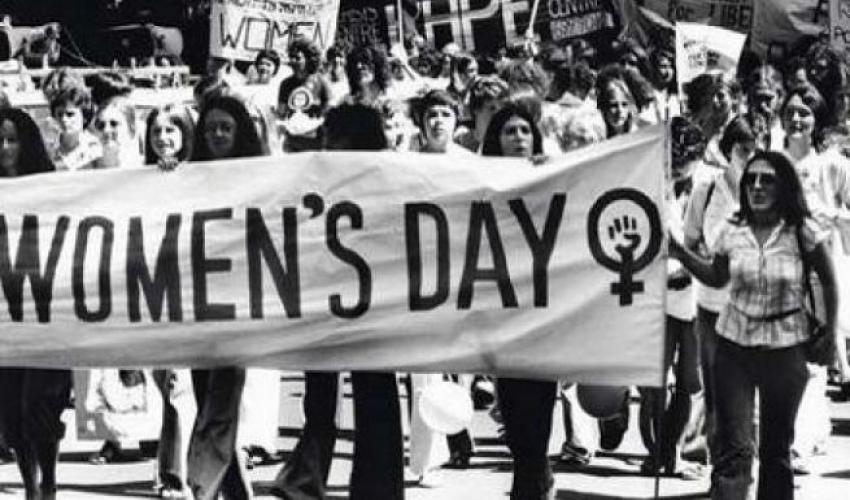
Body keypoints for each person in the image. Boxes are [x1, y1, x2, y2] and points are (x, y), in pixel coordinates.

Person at [671, 150, 838, 499]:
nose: (757, 187)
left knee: (776, 450)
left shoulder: (802, 230)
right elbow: (717, 277)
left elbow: (828, 279)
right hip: (733, 348)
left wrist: (829, 331)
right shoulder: (731, 229)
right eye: (750, 180)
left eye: (767, 180)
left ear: (784, 186)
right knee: (733, 449)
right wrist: (680, 253)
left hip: (785, 349)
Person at [270, 104, 405, 500]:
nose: (329, 146)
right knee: (346, 394)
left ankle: (311, 478)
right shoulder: (323, 176)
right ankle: (335, 481)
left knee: (352, 393)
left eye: (335, 139)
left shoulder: (383, 178)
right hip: (340, 296)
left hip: (358, 297)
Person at [185, 94, 268, 500]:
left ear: (240, 133)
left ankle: (204, 488)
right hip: (199, 307)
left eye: (226, 128)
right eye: (210, 128)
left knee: (221, 404)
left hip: (240, 305)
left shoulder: (261, 177)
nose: (217, 135)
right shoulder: (189, 177)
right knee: (208, 402)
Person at [480, 103, 554, 499]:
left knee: (538, 414)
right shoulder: (481, 180)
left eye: (525, 130)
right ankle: (534, 481)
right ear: (497, 139)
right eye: (510, 131)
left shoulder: (551, 174)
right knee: (512, 411)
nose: (519, 138)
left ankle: (531, 486)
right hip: (503, 312)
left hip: (542, 311)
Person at [0, 106, 69, 500]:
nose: (5, 148)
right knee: (10, 415)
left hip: (47, 316)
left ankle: (49, 482)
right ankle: (31, 485)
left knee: (38, 407)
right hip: (5, 322)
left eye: (12, 140)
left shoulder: (51, 189)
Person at [682, 115, 757, 469]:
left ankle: (744, 471)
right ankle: (720, 470)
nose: (751, 157)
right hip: (712, 306)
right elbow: (690, 241)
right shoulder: (707, 190)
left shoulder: (770, 191)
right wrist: (705, 261)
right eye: (744, 149)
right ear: (729, 150)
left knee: (750, 395)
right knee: (715, 394)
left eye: (757, 149)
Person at [639, 117, 704, 479]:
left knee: (689, 382)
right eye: (672, 159)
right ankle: (655, 452)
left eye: (685, 160)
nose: (677, 167)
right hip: (656, 294)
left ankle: (674, 450)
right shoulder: (649, 184)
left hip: (695, 293)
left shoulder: (707, 185)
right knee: (654, 380)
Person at [143, 104, 197, 497]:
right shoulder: (135, 181)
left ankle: (175, 476)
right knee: (165, 383)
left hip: (191, 292)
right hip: (153, 293)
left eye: (171, 131)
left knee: (179, 385)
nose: (163, 138)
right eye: (157, 131)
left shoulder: (203, 176)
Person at [277, 37, 331, 152]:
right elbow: (281, 113)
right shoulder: (285, 84)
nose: (293, 61)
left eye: (297, 58)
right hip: (292, 141)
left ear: (309, 59)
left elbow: (328, 112)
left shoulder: (322, 82)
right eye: (291, 57)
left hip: (315, 141)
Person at [44, 83, 102, 170]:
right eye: (60, 114)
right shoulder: (48, 148)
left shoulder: (95, 147)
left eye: (70, 114)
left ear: (84, 116)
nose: (64, 119)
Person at [92, 97, 142, 169]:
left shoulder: (149, 170)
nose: (106, 130)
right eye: (101, 125)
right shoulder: (84, 171)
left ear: (132, 129)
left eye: (114, 123)